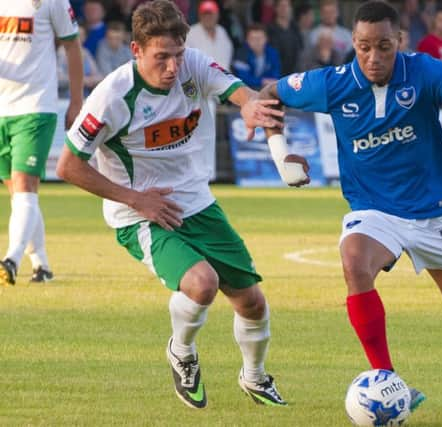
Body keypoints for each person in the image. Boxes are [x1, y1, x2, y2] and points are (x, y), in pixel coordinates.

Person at [259, 0, 442, 413]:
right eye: (363, 47)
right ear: (353, 43)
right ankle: (388, 381)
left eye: (383, 47)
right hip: (374, 209)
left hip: (434, 210)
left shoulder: (425, 71)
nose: (372, 58)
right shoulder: (333, 82)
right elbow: (270, 94)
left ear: (400, 41)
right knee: (354, 264)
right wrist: (279, 153)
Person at [56, 0, 287, 409]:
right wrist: (135, 199)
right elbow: (68, 165)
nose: (172, 67)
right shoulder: (112, 96)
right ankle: (181, 352)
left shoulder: (194, 64)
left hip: (196, 201)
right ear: (136, 51)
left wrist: (251, 105)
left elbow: (237, 91)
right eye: (161, 57)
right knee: (202, 284)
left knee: (251, 301)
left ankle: (254, 377)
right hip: (139, 213)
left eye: (177, 55)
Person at [0, 0, 84, 286]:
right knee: (19, 193)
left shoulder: (52, 1)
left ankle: (11, 259)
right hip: (2, 108)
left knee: (24, 185)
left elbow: (72, 46)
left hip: (35, 106)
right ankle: (42, 265)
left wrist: (76, 101)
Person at [186, 0, 234, 71]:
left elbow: (228, 57)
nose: (208, 17)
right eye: (205, 14)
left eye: (211, 14)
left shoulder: (222, 31)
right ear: (199, 15)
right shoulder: (191, 33)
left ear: (217, 15)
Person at [232, 24, 281, 90]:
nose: (257, 42)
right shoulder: (240, 55)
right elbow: (243, 78)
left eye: (260, 38)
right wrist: (262, 81)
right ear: (247, 40)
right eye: (253, 39)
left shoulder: (272, 53)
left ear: (266, 39)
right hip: (245, 91)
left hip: (267, 89)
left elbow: (275, 75)